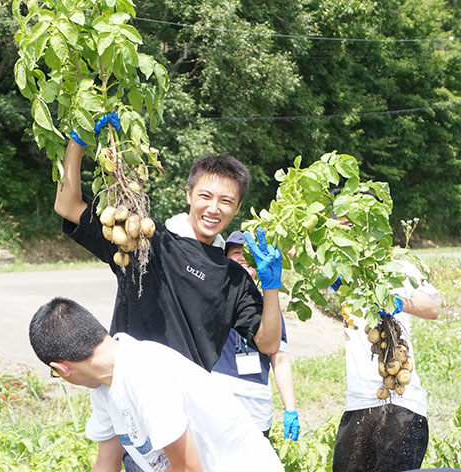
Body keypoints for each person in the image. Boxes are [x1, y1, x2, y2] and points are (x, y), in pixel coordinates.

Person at [53, 116, 284, 372]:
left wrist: (272, 287)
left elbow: (268, 343)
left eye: (226, 201)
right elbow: (67, 206)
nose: (214, 209)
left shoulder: (235, 278)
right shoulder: (146, 240)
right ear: (189, 194)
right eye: (205, 196)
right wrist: (77, 143)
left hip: (186, 399)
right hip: (128, 386)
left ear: (238, 207)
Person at [29, 296, 284, 472]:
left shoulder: (143, 372)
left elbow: (188, 468)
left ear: (61, 368)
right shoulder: (104, 385)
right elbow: (106, 464)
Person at [332, 259, 440, 472]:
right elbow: (303, 255)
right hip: (358, 403)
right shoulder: (340, 264)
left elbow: (431, 308)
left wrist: (397, 303)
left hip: (402, 404)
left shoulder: (399, 266)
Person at [211, 231, 300, 440]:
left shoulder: (268, 306)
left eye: (248, 254)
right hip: (217, 399)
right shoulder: (212, 297)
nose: (242, 258)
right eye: (235, 253)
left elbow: (279, 359)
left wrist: (290, 408)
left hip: (256, 408)